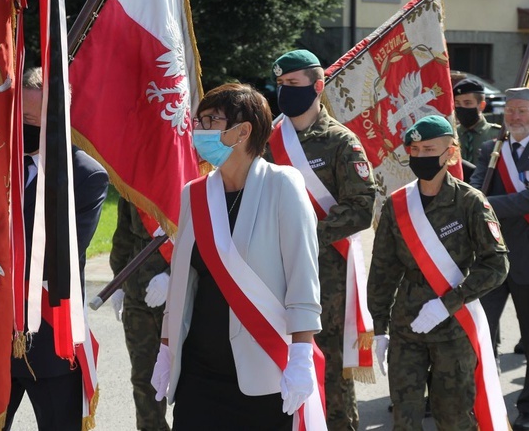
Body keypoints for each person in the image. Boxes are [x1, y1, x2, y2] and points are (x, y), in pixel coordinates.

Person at [151, 83, 324, 430]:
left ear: (243, 131)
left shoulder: (283, 184)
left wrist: (303, 354)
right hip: (199, 374)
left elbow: (302, 275)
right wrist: (166, 349)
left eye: (211, 120)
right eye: (198, 121)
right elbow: (184, 280)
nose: (199, 130)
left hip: (263, 371)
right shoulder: (194, 194)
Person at [368, 115, 509, 430]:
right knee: (404, 419)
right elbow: (382, 269)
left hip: (454, 328)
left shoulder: (470, 203)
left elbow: (496, 264)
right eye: (414, 149)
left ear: (451, 153)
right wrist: (379, 327)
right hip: (407, 328)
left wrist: (449, 302)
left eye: (429, 148)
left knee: (455, 418)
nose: (420, 156)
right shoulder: (398, 204)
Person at [265, 49, 377, 430]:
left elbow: (362, 206)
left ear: (317, 85)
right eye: (280, 84)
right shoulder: (268, 140)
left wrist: (304, 234)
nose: (284, 91)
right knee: (276, 364)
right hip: (272, 271)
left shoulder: (341, 142)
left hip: (326, 277)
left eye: (293, 84)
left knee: (329, 371)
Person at [5, 68, 109, 430]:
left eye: (31, 120)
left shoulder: (84, 174)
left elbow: (60, 253)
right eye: (19, 117)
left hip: (49, 339)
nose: (22, 127)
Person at [470, 87, 529, 431]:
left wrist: (485, 203)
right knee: (479, 332)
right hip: (491, 256)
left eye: (523, 111)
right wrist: (478, 199)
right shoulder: (491, 149)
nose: (515, 117)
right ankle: (481, 397)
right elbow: (475, 187)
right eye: (510, 111)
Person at [109, 197, 171, 430]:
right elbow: (123, 235)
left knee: (190, 381)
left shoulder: (193, 173)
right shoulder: (134, 182)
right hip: (138, 295)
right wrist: (118, 282)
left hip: (184, 296)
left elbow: (202, 239)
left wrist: (173, 275)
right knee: (145, 380)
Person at [454, 78, 501, 167]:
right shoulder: (452, 135)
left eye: (467, 103)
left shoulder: (497, 135)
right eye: (457, 103)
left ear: (482, 105)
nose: (462, 107)